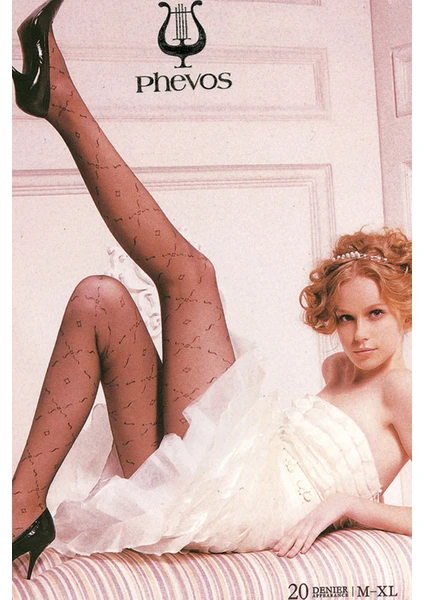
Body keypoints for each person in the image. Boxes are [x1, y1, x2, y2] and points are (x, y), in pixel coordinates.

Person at [12, 0, 412, 581]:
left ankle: (61, 101)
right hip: (219, 485)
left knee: (191, 274)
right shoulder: (338, 370)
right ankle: (20, 508)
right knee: (99, 298)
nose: (358, 335)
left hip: (247, 501)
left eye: (375, 314)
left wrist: (348, 507)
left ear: (405, 309)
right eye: (346, 318)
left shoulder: (403, 389)